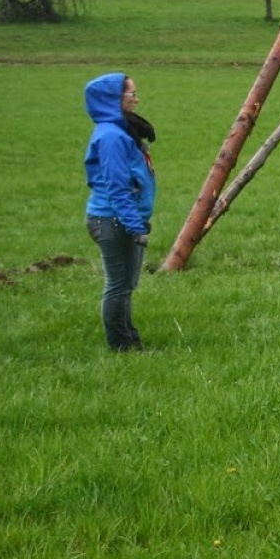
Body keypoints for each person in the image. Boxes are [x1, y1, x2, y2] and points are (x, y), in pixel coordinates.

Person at [84, 73, 156, 352]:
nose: (136, 99)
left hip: (120, 219)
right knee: (118, 285)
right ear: (114, 99)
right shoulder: (112, 136)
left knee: (126, 285)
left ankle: (129, 339)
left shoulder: (122, 130)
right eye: (131, 94)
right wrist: (134, 225)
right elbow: (117, 186)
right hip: (111, 220)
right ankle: (122, 345)